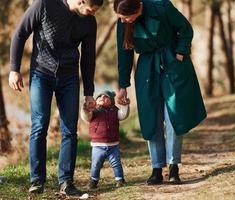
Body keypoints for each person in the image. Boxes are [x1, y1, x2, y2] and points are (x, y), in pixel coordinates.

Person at [8, 0, 103, 196]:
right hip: (41, 73)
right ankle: (36, 181)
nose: (92, 14)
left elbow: (88, 58)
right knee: (39, 125)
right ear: (81, 1)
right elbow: (20, 33)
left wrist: (89, 93)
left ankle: (66, 182)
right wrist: (14, 69)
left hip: (69, 78)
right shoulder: (44, 5)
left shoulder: (89, 22)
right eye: (91, 10)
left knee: (69, 130)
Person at [114, 0, 207, 185]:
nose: (124, 21)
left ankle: (174, 167)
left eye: (126, 17)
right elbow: (124, 53)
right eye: (121, 18)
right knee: (152, 117)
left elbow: (185, 28)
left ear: (137, 8)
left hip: (172, 63)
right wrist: (123, 85)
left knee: (173, 117)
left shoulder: (161, 7)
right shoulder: (123, 22)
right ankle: (156, 168)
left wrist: (181, 50)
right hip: (147, 69)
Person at [81, 90, 130, 189]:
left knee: (116, 163)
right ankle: (94, 180)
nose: (102, 98)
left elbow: (123, 115)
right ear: (96, 101)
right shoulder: (94, 111)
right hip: (97, 146)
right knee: (96, 164)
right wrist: (85, 110)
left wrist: (125, 105)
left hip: (113, 145)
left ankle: (120, 179)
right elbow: (86, 117)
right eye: (99, 97)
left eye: (106, 97)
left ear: (111, 101)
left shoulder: (115, 111)